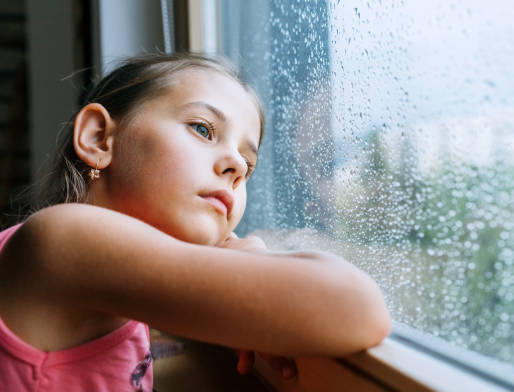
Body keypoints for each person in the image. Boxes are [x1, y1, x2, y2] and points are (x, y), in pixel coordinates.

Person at [0, 53, 391, 391]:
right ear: (99, 138)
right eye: (203, 129)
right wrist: (247, 259)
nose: (237, 166)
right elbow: (358, 308)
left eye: (249, 166)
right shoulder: (64, 240)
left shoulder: (112, 286)